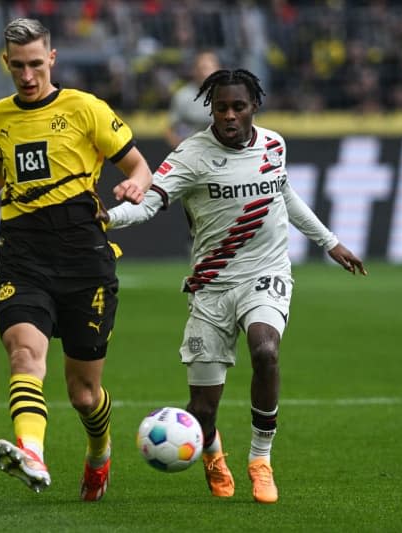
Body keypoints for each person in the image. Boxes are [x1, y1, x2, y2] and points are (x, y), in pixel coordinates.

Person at [104, 69, 367, 504]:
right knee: (203, 410)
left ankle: (260, 460)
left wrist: (330, 242)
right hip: (211, 285)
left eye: (238, 107)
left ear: (253, 108)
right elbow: (149, 205)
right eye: (221, 107)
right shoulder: (190, 155)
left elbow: (284, 194)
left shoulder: (273, 144)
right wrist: (107, 219)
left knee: (265, 350)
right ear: (212, 109)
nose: (229, 115)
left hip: (266, 273)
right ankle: (210, 452)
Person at [0, 18, 152, 501]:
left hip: (83, 256)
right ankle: (32, 452)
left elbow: (136, 163)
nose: (27, 75)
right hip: (23, 252)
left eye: (35, 64)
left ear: (51, 59)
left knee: (84, 394)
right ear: (6, 62)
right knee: (24, 354)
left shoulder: (84, 108)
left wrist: (136, 185)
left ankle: (98, 452)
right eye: (17, 66)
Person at [164, 50, 221, 149]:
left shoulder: (229, 95)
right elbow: (170, 130)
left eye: (209, 68)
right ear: (194, 71)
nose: (205, 73)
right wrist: (182, 151)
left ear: (218, 69)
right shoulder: (182, 96)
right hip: (192, 151)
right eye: (202, 68)